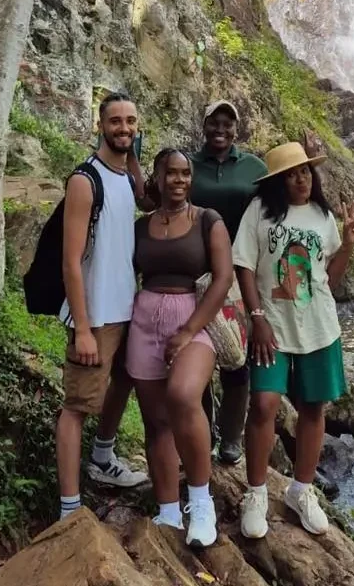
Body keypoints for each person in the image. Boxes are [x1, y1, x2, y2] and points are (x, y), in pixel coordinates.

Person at [232, 142, 354, 539]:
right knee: (265, 402)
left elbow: (331, 280)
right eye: (291, 174)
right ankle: (255, 494)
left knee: (312, 407)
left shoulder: (323, 215)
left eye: (305, 171)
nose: (300, 179)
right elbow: (244, 266)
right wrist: (256, 318)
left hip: (319, 328)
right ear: (277, 182)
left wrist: (350, 244)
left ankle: (301, 491)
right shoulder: (259, 212)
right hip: (272, 327)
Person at [126, 148, 233, 546]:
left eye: (186, 173)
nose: (179, 179)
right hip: (145, 318)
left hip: (194, 319)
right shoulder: (141, 227)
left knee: (184, 395)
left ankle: (201, 504)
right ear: (157, 177)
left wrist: (188, 330)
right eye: (171, 173)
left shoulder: (208, 221)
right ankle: (168, 511)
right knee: (156, 422)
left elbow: (221, 279)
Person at [56, 92, 148, 521]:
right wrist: (83, 327)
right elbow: (71, 262)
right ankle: (70, 507)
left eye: (130, 121)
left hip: (127, 309)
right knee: (76, 406)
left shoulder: (126, 178)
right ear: (100, 125)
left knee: (124, 382)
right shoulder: (84, 180)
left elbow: (147, 200)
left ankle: (104, 456)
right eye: (116, 121)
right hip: (96, 315)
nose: (124, 128)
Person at [190, 101, 267, 465]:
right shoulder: (188, 165)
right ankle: (203, 433)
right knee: (199, 354)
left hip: (238, 274)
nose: (220, 129)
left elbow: (277, 205)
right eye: (214, 122)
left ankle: (232, 437)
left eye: (228, 123)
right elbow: (159, 201)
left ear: (236, 129)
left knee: (237, 359)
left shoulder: (253, 166)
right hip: (195, 273)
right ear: (204, 125)